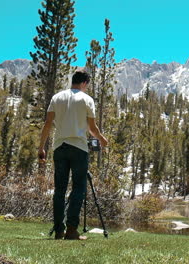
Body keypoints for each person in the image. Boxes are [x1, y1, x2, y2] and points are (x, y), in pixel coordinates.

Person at [38, 71, 108, 240]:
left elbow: (48, 124)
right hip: (79, 147)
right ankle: (71, 230)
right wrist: (102, 139)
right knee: (78, 189)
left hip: (59, 147)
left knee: (59, 190)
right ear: (84, 83)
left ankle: (59, 230)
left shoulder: (57, 97)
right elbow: (92, 128)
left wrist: (41, 147)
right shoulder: (87, 99)